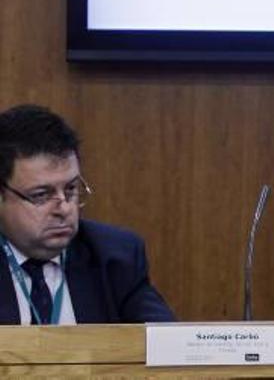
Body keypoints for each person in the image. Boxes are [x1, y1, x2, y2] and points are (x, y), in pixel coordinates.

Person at [0, 104, 174, 324]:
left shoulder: (115, 257)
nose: (64, 208)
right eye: (42, 195)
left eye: (71, 189)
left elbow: (165, 345)